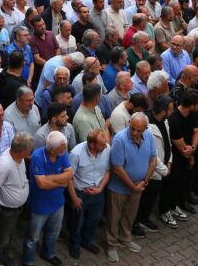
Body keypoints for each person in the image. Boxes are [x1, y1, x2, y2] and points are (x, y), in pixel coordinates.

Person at [104, 114, 157, 262]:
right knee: (114, 217)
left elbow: (153, 160)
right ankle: (112, 245)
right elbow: (117, 168)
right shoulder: (120, 139)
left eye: (138, 130)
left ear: (145, 129)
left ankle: (125, 238)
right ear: (128, 123)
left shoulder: (149, 136)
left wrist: (143, 182)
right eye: (132, 128)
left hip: (138, 186)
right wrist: (133, 186)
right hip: (119, 188)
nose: (134, 132)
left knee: (129, 214)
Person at [24, 131, 72, 266]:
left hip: (58, 203)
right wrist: (60, 182)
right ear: (52, 150)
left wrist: (49, 178)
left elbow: (69, 174)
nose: (65, 151)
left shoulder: (62, 152)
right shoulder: (37, 157)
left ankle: (48, 253)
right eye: (62, 149)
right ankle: (28, 261)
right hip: (39, 206)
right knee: (33, 237)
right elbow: (41, 184)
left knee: (53, 232)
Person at [0, 132, 33, 266]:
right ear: (23, 151)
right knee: (2, 239)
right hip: (6, 210)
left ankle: (4, 258)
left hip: (16, 209)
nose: (31, 151)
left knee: (9, 235)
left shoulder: (18, 156)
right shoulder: (5, 165)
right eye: (29, 149)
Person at [66, 127, 111, 259]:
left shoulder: (106, 148)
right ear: (92, 144)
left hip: (98, 192)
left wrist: (100, 188)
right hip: (80, 193)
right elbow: (68, 178)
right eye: (102, 145)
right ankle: (74, 244)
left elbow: (108, 170)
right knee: (77, 222)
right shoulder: (76, 153)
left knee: (94, 220)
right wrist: (74, 198)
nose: (105, 147)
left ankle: (86, 241)